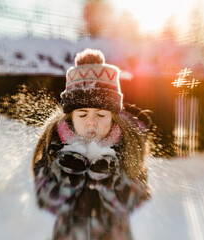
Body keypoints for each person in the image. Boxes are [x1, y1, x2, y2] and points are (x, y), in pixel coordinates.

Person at [32, 48, 150, 240]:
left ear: (114, 117)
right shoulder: (54, 146)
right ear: (70, 116)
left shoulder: (127, 148)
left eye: (101, 114)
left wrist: (110, 182)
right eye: (82, 114)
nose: (92, 122)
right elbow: (46, 200)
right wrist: (66, 177)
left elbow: (133, 201)